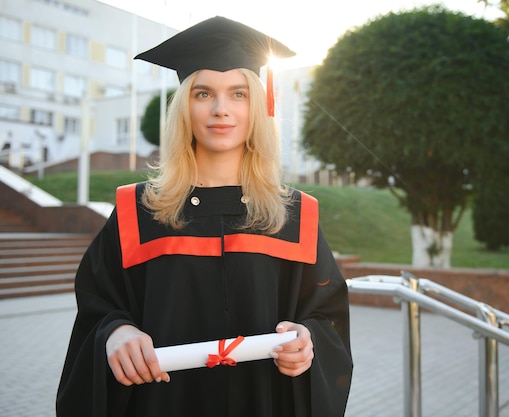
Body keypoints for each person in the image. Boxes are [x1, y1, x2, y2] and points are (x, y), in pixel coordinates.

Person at [56, 16, 352, 417]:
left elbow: (325, 316)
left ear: (257, 106)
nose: (220, 109)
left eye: (238, 94)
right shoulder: (138, 212)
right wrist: (115, 333)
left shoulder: (295, 216)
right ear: (184, 108)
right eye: (202, 93)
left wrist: (307, 341)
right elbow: (99, 308)